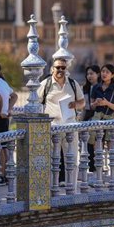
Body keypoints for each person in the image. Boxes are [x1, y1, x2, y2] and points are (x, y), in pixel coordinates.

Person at [38, 58, 85, 186]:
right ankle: (52, 186)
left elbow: (82, 102)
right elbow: (35, 102)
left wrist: (76, 104)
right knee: (52, 159)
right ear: (52, 68)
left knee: (72, 158)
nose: (60, 70)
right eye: (58, 67)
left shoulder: (73, 83)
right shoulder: (45, 84)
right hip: (52, 127)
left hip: (70, 126)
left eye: (63, 68)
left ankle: (72, 187)